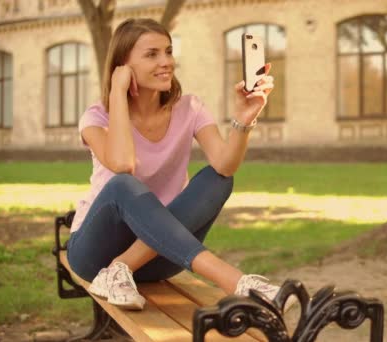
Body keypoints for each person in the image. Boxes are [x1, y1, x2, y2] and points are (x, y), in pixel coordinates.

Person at [67, 18, 282, 311]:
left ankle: (122, 267)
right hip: (94, 255)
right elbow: (122, 163)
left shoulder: (189, 108)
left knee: (217, 179)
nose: (166, 61)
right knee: (123, 184)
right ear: (122, 66)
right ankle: (238, 282)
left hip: (159, 257)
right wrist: (118, 93)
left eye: (168, 51)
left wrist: (244, 119)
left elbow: (226, 165)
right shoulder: (96, 118)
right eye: (152, 54)